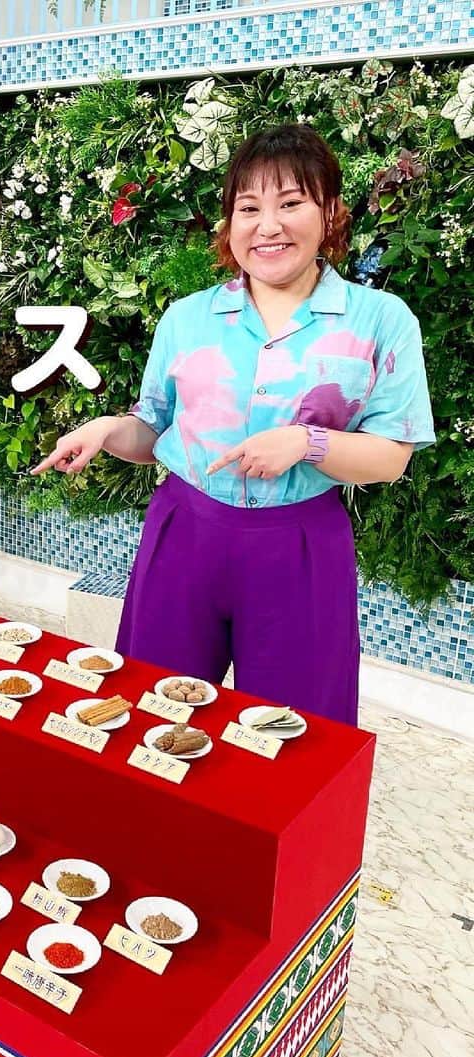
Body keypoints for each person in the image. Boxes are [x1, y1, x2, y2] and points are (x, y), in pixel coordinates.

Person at [33, 124, 434, 726]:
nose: (268, 226)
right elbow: (153, 431)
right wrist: (109, 430)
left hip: (299, 547)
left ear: (329, 212)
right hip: (184, 534)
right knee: (153, 712)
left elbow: (390, 457)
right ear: (230, 222)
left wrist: (305, 442)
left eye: (290, 204)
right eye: (249, 208)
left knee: (293, 729)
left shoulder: (378, 320)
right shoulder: (188, 318)